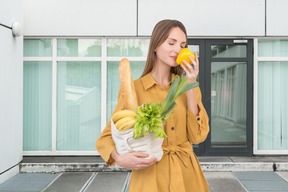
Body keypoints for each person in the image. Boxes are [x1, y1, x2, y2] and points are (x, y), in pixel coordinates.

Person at [96, 19, 210, 192]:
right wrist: (119, 158)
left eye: (182, 45)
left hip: (188, 177)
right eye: (171, 43)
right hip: (149, 178)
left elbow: (197, 137)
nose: (177, 49)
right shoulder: (134, 89)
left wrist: (191, 84)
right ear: (155, 46)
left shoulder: (189, 87)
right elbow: (106, 137)